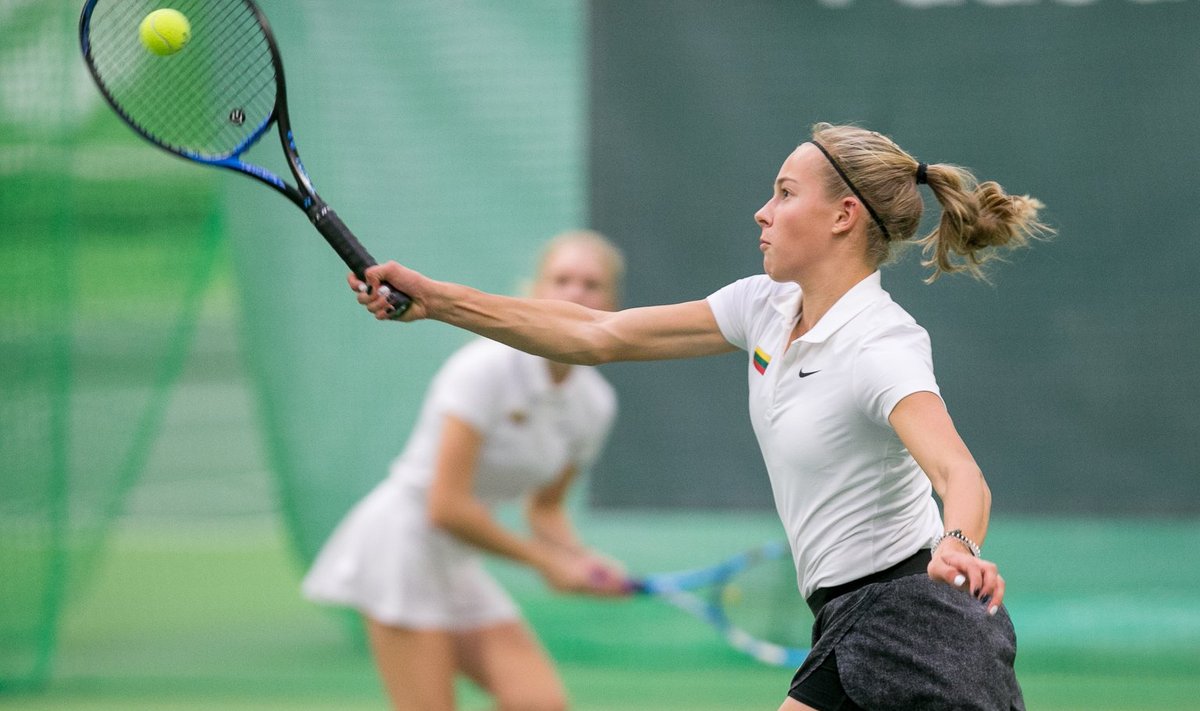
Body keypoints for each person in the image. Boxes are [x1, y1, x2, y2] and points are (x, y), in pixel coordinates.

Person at [352, 123, 1051, 710]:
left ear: (844, 216)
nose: (762, 212)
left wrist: (958, 541)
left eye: (784, 194)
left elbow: (959, 471)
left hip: (915, 616)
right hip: (851, 618)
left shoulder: (880, 345)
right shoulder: (764, 306)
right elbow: (599, 334)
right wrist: (438, 300)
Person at [304, 230, 631, 711]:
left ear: (614, 302)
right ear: (534, 290)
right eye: (562, 279)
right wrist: (549, 563)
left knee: (540, 704)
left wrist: (583, 560)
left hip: (455, 561)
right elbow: (446, 507)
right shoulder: (483, 369)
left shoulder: (595, 403)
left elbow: (545, 510)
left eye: (591, 283)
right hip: (401, 546)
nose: (575, 293)